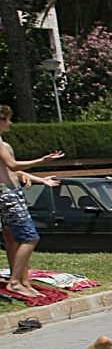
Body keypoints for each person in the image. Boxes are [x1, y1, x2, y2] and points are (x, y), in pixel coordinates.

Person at [0, 105, 63, 300]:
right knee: (30, 237)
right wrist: (41, 160)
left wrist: (39, 179)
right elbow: (12, 165)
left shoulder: (3, 143)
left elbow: (12, 172)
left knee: (14, 238)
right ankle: (15, 282)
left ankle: (22, 280)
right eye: (8, 119)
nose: (10, 123)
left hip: (10, 192)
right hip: (8, 195)